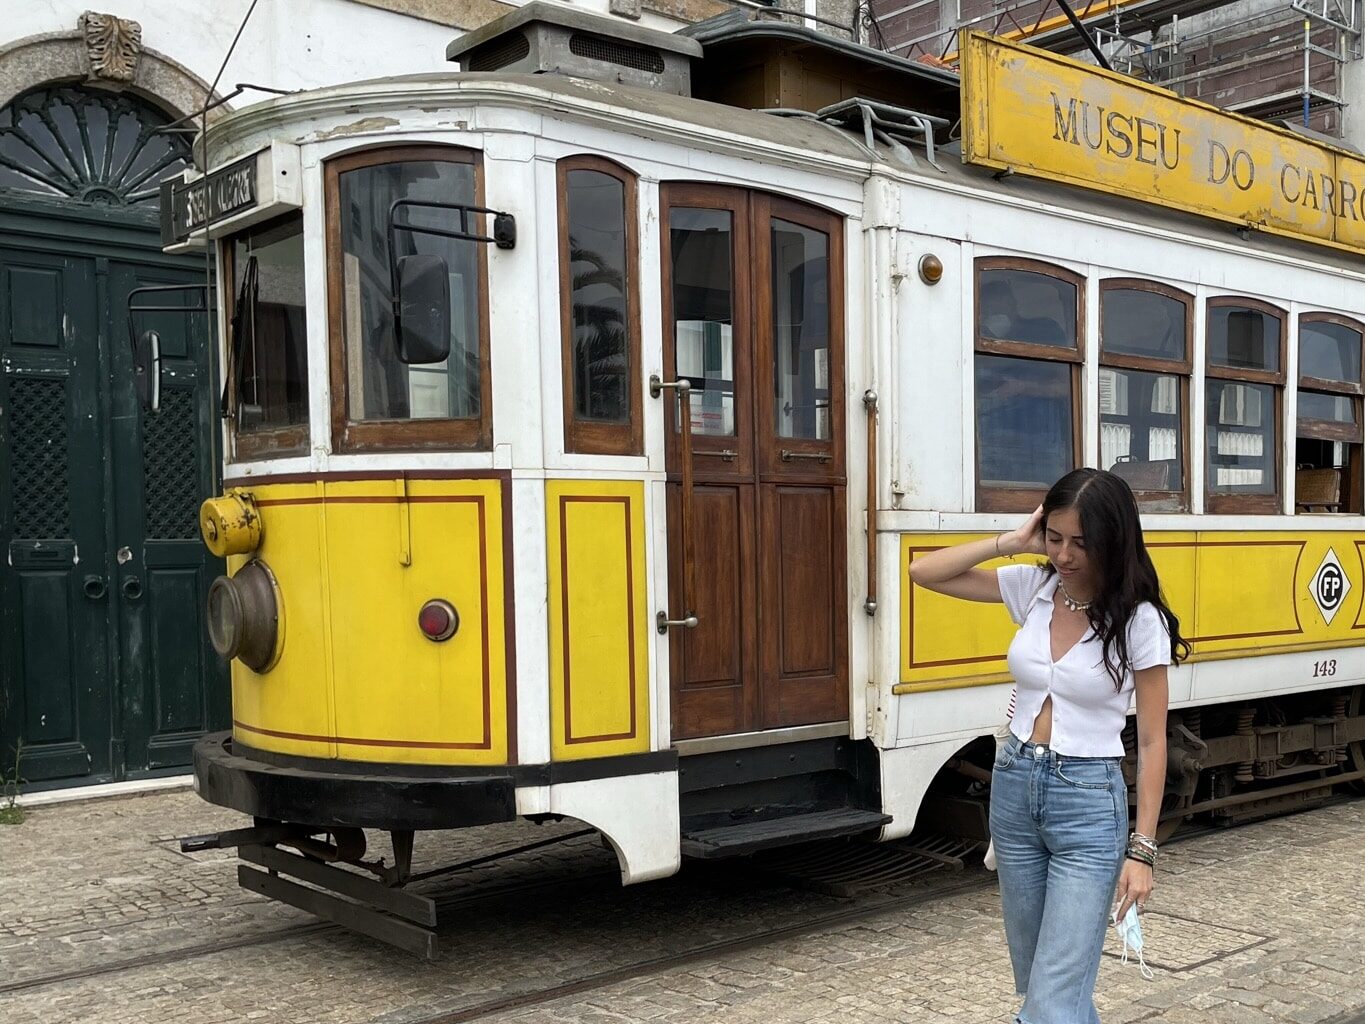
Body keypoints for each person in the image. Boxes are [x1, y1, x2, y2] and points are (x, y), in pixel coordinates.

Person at [909, 468, 1189, 1024]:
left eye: (1081, 543)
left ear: (1113, 540)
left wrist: (1144, 850)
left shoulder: (1139, 620)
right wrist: (1011, 541)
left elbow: (1154, 741)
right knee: (1046, 981)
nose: (1064, 555)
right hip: (1013, 793)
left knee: (1052, 999)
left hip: (1087, 804)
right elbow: (924, 572)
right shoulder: (1035, 588)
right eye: (1055, 538)